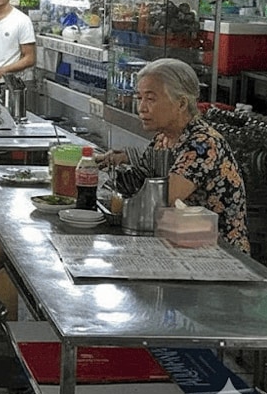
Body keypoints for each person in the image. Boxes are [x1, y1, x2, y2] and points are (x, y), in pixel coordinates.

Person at [97, 58, 249, 252]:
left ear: (181, 103)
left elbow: (160, 203)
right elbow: (142, 176)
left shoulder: (202, 144)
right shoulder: (164, 138)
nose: (142, 108)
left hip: (215, 252)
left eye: (150, 99)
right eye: (139, 98)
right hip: (176, 243)